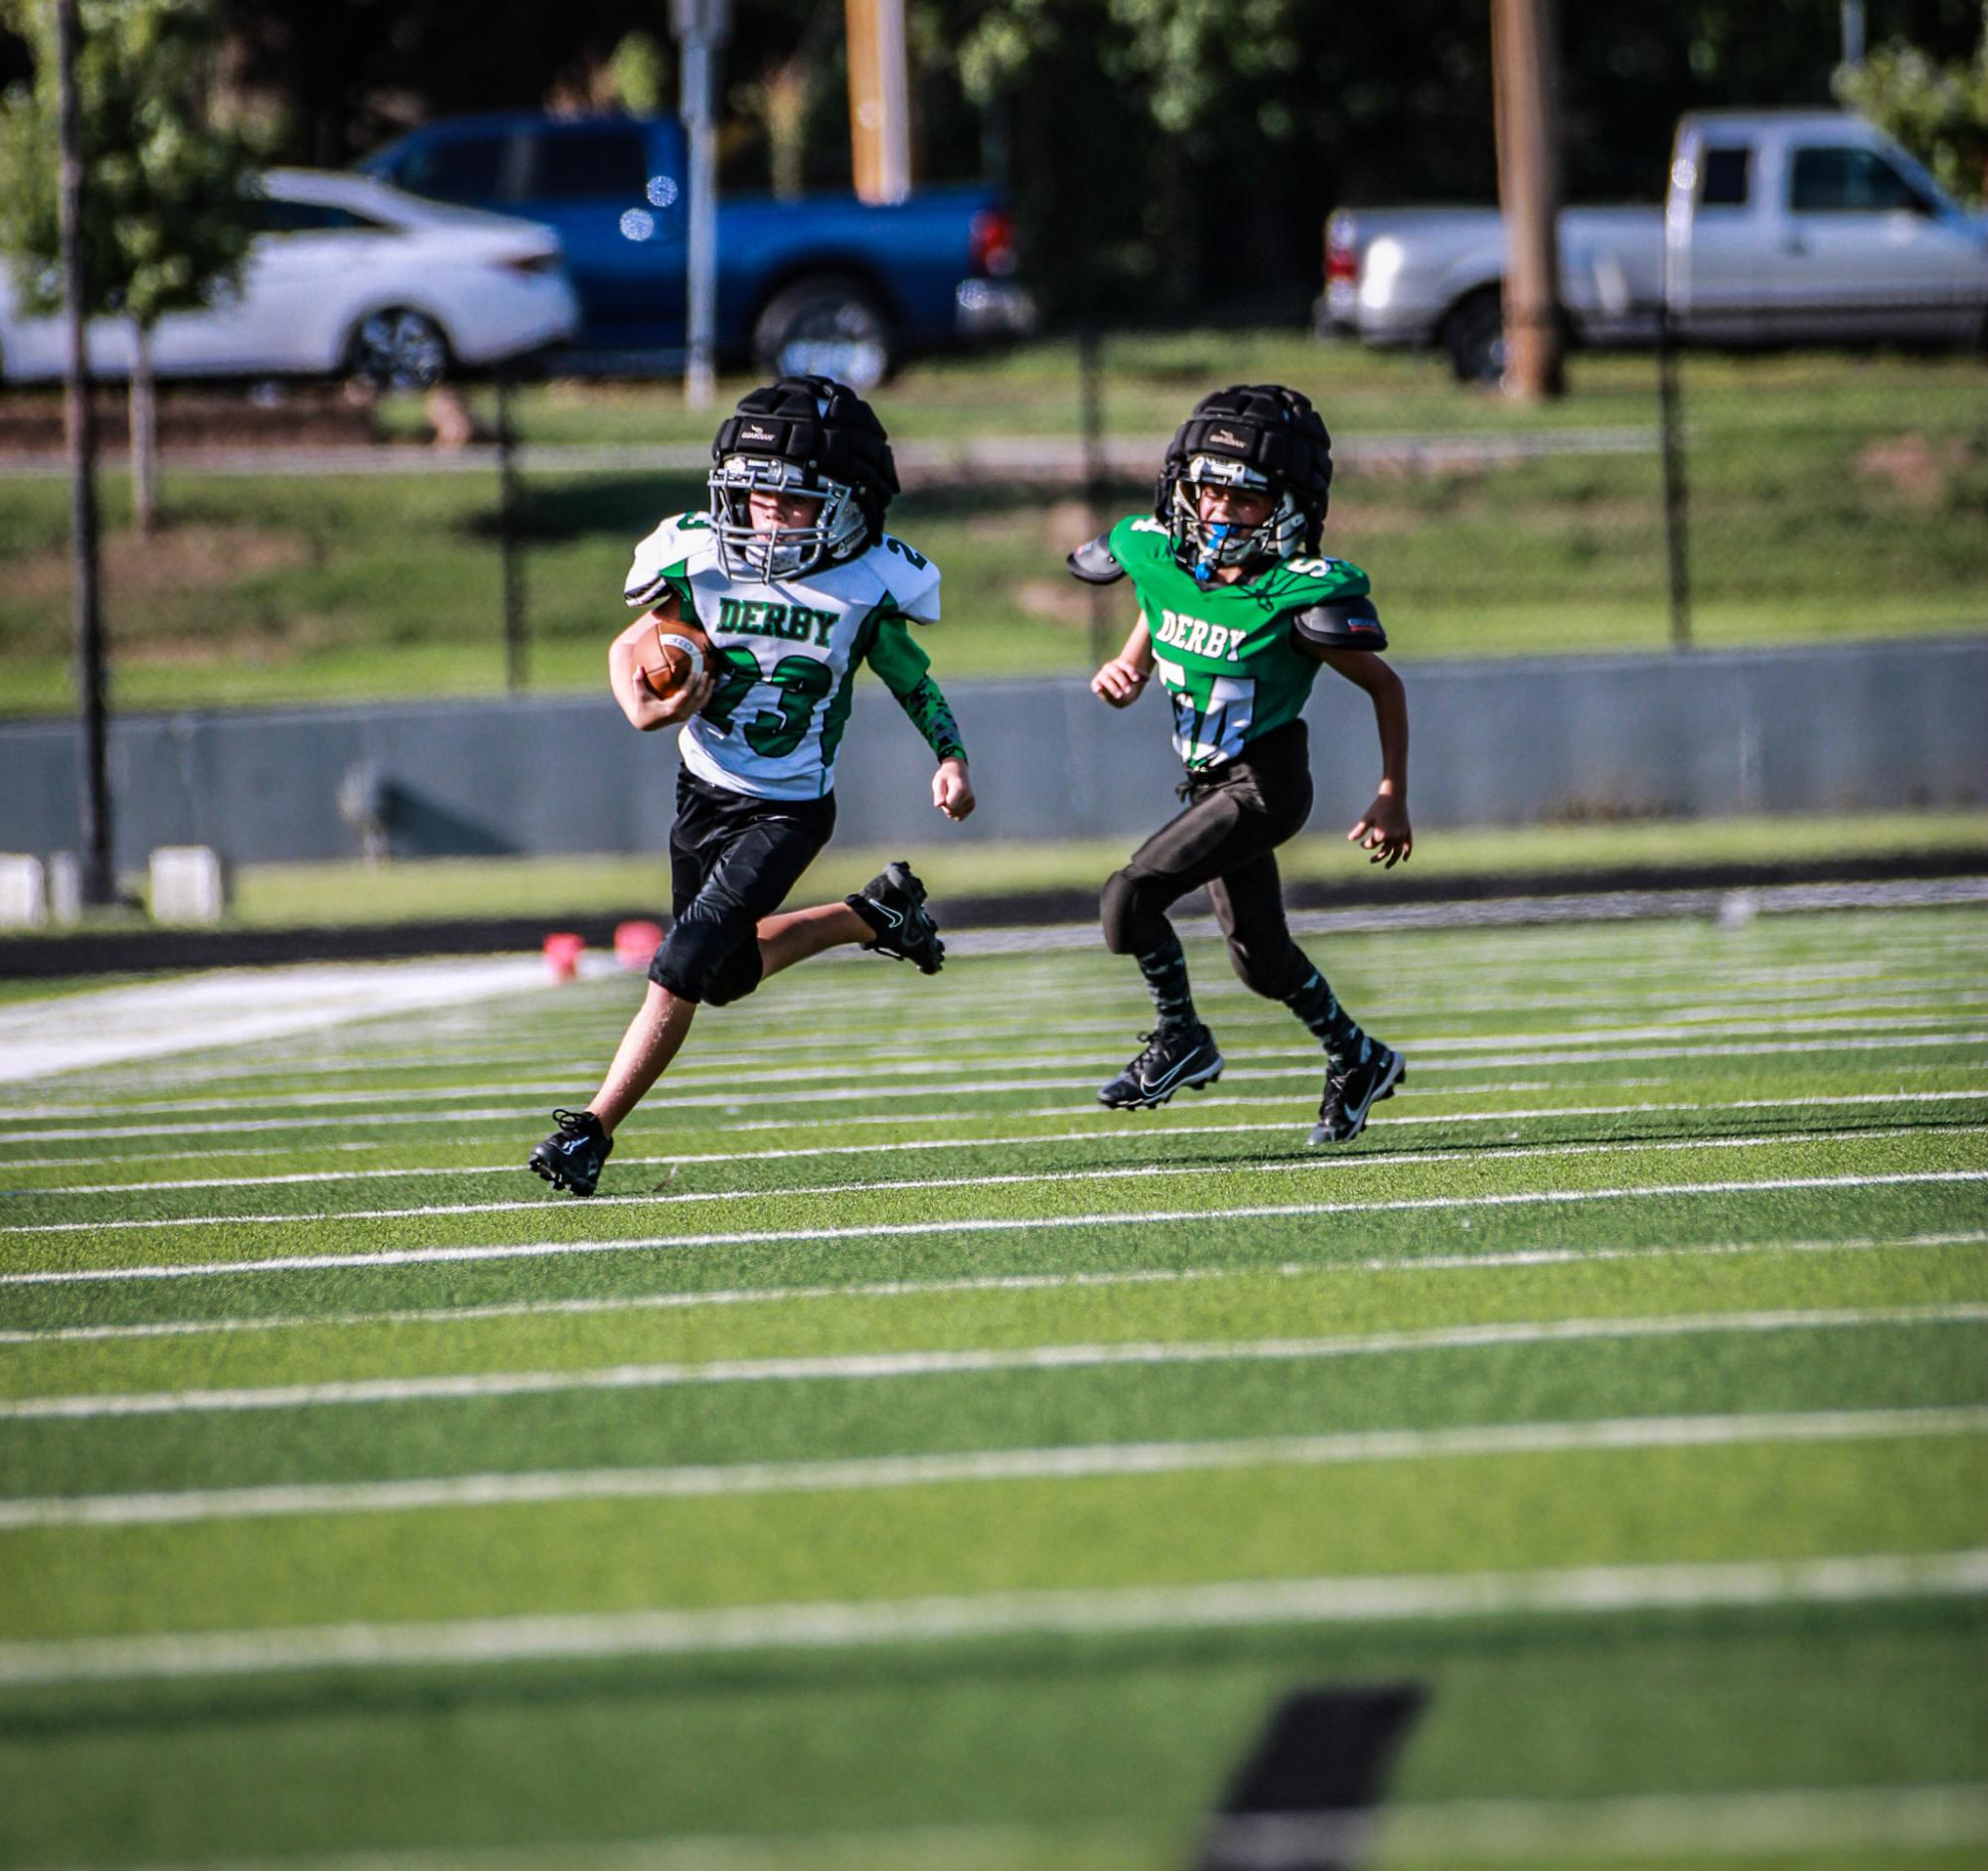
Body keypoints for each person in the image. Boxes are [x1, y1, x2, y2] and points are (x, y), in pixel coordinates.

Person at [530, 375, 975, 1196]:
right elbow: (633, 644)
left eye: (794, 500)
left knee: (682, 961)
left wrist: (949, 754)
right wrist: (636, 698)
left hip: (789, 808)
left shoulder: (868, 581)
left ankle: (591, 1131)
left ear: (850, 505)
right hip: (701, 790)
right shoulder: (698, 557)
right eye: (754, 494)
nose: (767, 514)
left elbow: (912, 678)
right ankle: (872, 915)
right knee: (724, 976)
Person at [1069, 383, 1411, 1146]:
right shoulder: (1161, 559)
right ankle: (1357, 1056)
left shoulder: (1295, 596)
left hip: (1263, 782)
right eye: (1209, 490)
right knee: (1260, 959)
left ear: (1288, 506)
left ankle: (1180, 1035)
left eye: (1245, 498)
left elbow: (1383, 685)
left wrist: (1390, 792)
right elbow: (1163, 606)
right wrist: (1130, 664)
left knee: (1127, 900)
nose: (1220, 510)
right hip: (1208, 782)